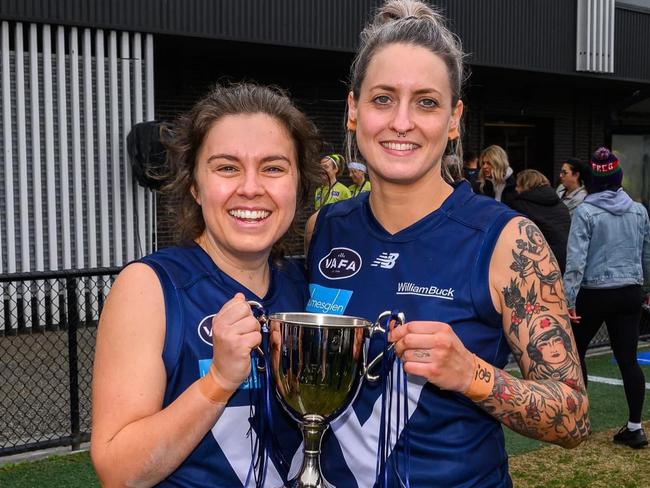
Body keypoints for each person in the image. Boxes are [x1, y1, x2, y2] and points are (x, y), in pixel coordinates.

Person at [304, 1, 589, 486]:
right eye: (382, 98)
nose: (401, 122)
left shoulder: (509, 241)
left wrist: (471, 375)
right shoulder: (323, 228)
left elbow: (575, 417)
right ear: (353, 110)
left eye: (427, 102)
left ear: (455, 118)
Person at [90, 83, 322, 486]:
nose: (251, 187)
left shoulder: (307, 287)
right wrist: (218, 381)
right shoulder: (150, 288)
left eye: (273, 167)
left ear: (298, 184)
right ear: (195, 185)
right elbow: (118, 471)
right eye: (227, 167)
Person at [564, 147, 650, 449]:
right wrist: (646, 289)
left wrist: (568, 299)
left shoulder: (586, 211)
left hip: (593, 292)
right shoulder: (639, 210)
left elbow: (576, 260)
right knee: (628, 359)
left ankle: (581, 422)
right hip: (629, 291)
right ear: (619, 179)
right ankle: (635, 427)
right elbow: (646, 254)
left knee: (576, 354)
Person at [511, 169, 571, 273]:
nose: (516, 189)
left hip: (544, 264)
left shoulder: (521, 205)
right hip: (566, 260)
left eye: (518, 185)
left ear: (526, 186)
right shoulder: (560, 204)